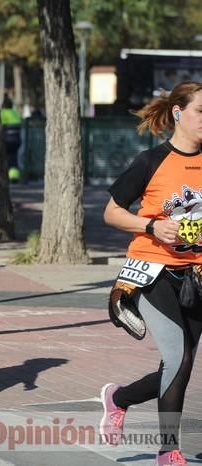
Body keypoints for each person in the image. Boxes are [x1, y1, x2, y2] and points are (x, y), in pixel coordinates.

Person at [100, 81, 202, 466]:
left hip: (197, 274)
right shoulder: (151, 161)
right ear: (178, 113)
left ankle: (118, 398)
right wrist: (150, 226)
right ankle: (168, 450)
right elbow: (111, 212)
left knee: (181, 362)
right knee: (178, 355)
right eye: (200, 112)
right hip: (153, 269)